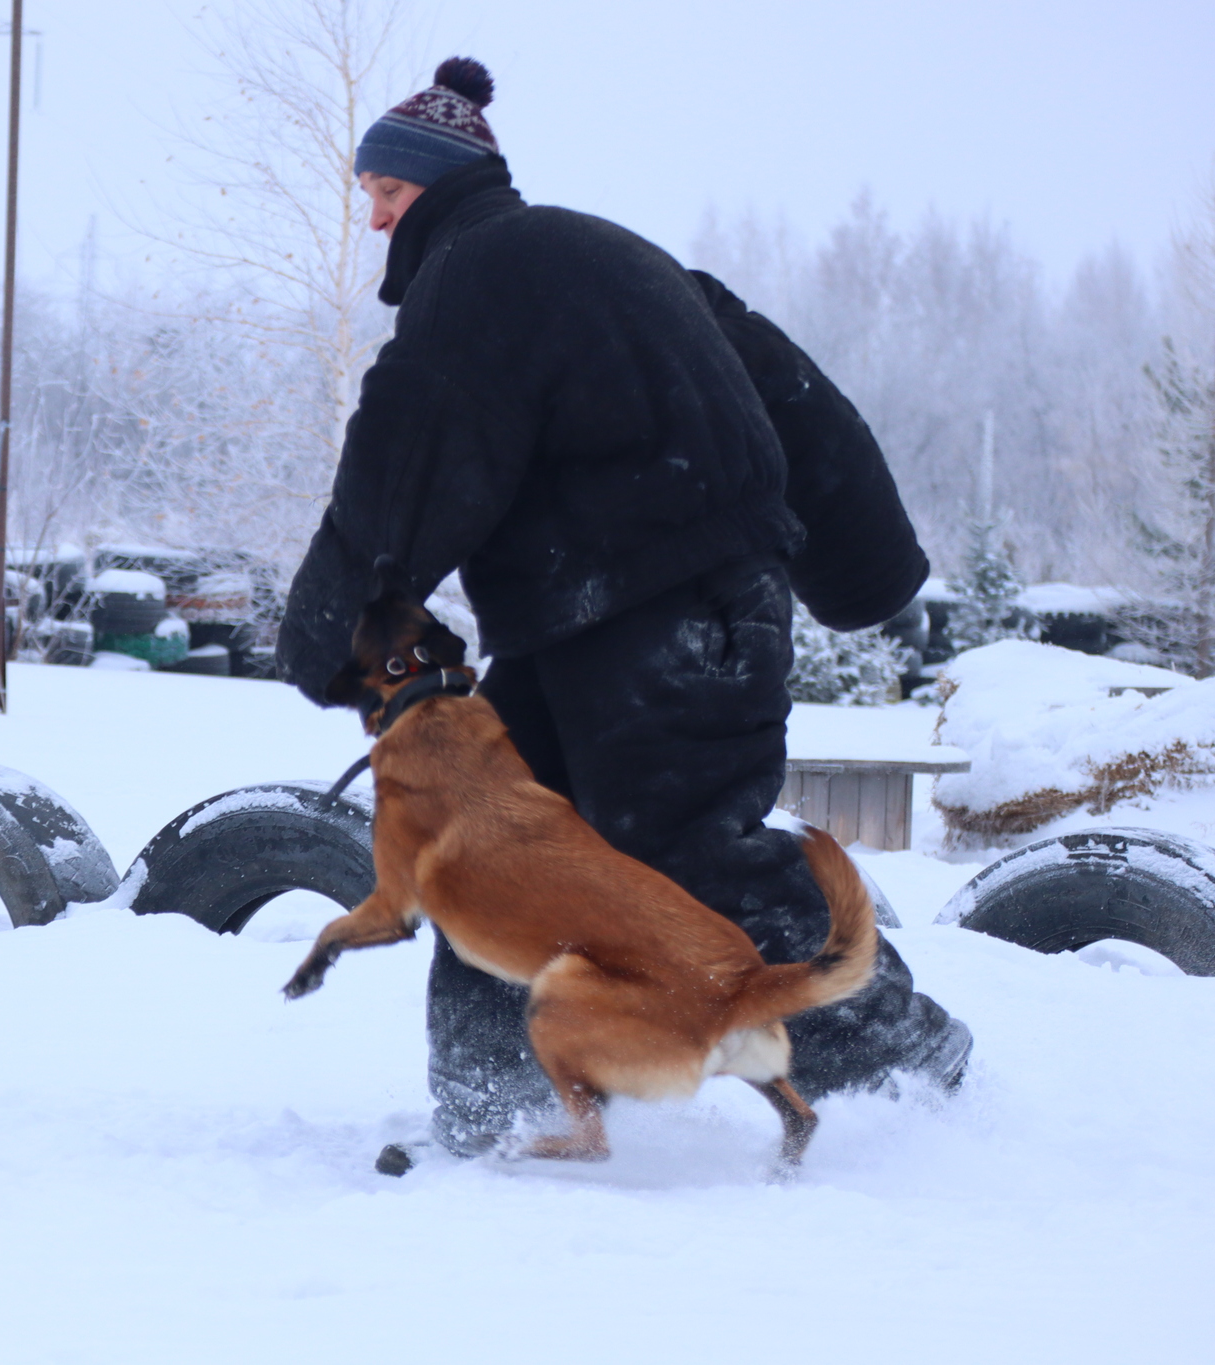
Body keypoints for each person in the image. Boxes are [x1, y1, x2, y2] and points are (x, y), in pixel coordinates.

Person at [277, 57, 972, 1157]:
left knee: (682, 855)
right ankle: (492, 1116)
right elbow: (784, 387)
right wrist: (866, 570)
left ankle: (907, 1079)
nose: (373, 220)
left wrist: (327, 636)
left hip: (673, 610)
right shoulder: (607, 256)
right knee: (496, 850)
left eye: (386, 194)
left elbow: (403, 460)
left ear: (441, 187)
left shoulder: (480, 279)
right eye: (366, 195)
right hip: (586, 621)